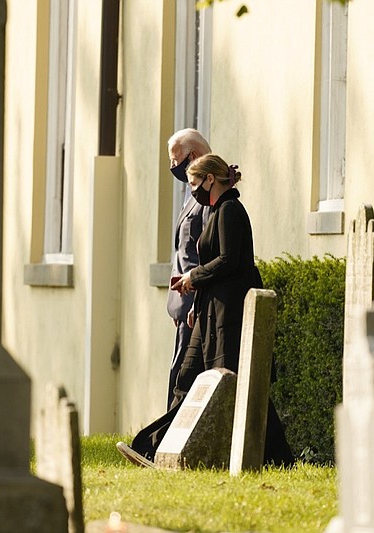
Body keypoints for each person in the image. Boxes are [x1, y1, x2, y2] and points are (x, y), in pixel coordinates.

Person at [117, 154, 293, 468]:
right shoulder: (217, 212)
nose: (193, 190)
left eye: (195, 183)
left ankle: (278, 459)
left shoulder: (229, 211)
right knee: (188, 378)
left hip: (228, 314)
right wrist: (196, 294)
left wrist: (192, 277)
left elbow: (228, 260)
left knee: (238, 384)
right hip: (209, 311)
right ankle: (155, 448)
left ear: (210, 179)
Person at [165, 128, 211, 409]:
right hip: (185, 304)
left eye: (175, 160)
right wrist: (175, 305)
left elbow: (205, 252)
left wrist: (195, 301)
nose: (173, 167)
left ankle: (162, 441)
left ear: (192, 156)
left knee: (183, 377)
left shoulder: (208, 196)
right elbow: (181, 251)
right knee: (181, 373)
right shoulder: (191, 193)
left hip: (196, 301)